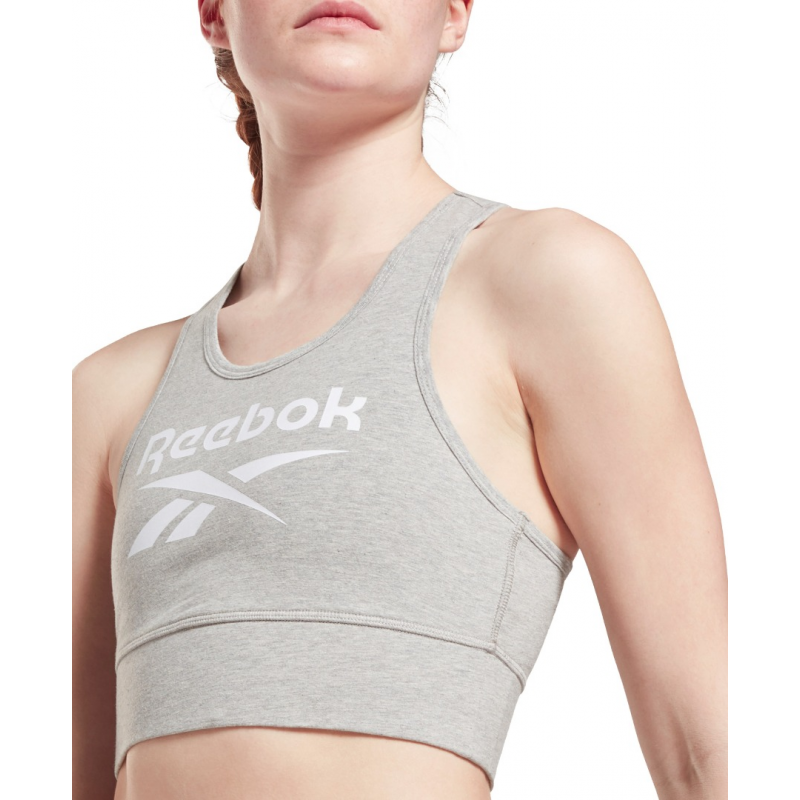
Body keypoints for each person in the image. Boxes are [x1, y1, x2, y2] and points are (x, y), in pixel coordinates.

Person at [72, 1, 728, 798]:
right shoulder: (111, 392)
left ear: (452, 16)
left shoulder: (550, 281)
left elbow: (708, 751)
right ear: (215, 15)